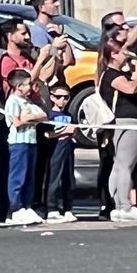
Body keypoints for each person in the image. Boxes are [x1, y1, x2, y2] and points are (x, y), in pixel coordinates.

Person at [99, 25, 137, 222]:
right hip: (126, 121)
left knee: (121, 165)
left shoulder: (119, 74)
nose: (126, 54)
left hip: (133, 120)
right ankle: (123, 204)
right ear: (113, 55)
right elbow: (132, 88)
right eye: (122, 51)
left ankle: (119, 204)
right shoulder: (112, 76)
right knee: (124, 164)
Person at [2, 68, 46, 225]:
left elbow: (43, 115)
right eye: (27, 84)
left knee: (29, 176)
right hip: (18, 142)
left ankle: (27, 206)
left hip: (31, 141)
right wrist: (29, 118)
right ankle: (15, 208)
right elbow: (17, 122)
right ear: (18, 86)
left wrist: (30, 117)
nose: (30, 87)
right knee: (18, 175)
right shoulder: (13, 101)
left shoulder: (27, 102)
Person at [41, 84, 79, 222]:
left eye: (66, 97)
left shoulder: (69, 115)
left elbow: (74, 132)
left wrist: (73, 132)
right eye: (58, 97)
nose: (62, 100)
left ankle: (68, 208)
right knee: (54, 178)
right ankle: (51, 208)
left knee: (69, 179)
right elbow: (47, 134)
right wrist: (64, 131)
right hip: (55, 149)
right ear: (52, 97)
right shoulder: (49, 115)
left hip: (68, 148)